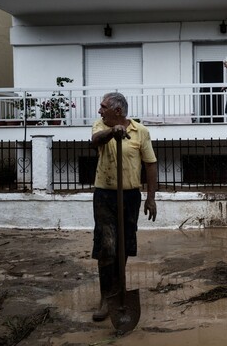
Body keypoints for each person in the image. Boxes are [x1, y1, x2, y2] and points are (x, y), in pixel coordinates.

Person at [90, 92, 158, 321]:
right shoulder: (100, 126)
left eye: (103, 107)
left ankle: (118, 292)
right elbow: (95, 141)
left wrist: (151, 197)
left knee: (124, 246)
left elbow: (150, 164)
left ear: (117, 111)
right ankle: (105, 296)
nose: (99, 111)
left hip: (129, 196)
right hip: (105, 195)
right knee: (107, 245)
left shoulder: (141, 131)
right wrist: (112, 132)